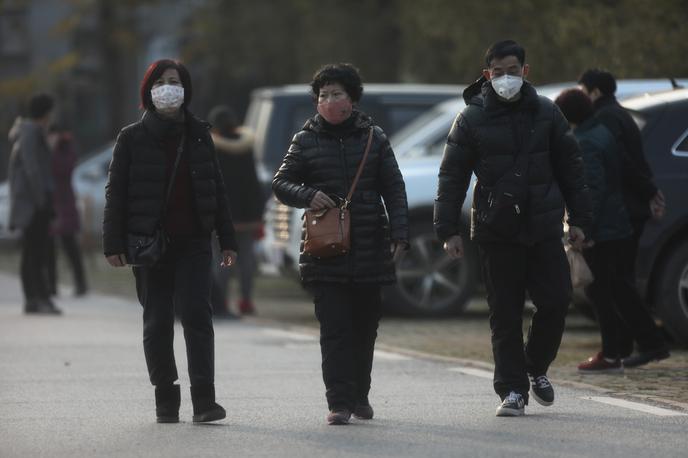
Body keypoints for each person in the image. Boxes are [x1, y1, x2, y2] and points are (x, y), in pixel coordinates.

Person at [434, 40, 591, 417]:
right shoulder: (470, 119)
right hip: (495, 229)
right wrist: (447, 230)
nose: (506, 78)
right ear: (487, 74)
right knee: (504, 314)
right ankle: (513, 390)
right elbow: (451, 176)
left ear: (526, 70)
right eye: (498, 72)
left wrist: (580, 220)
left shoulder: (547, 113)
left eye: (513, 70)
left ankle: (534, 366)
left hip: (543, 228)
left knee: (555, 302)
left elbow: (572, 169)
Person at [102, 59, 238, 424]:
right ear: (148, 91)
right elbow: (116, 193)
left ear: (185, 89)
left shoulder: (199, 133)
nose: (168, 87)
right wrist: (112, 242)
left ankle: (205, 401)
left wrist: (228, 239)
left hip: (193, 242)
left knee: (197, 315)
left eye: (174, 81)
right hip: (149, 244)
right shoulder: (130, 138)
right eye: (160, 82)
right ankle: (166, 398)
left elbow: (217, 190)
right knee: (158, 321)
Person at [272, 63, 409, 425]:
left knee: (365, 329)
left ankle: (360, 395)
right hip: (324, 251)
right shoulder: (305, 140)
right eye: (323, 96)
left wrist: (400, 232)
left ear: (352, 98)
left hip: (370, 247)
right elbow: (281, 182)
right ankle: (339, 402)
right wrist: (308, 194)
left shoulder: (374, 138)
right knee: (335, 330)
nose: (329, 101)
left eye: (336, 94)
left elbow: (394, 188)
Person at [554, 89, 670, 372]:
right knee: (617, 288)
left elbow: (591, 190)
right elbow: (626, 167)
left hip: (601, 229)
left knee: (600, 291)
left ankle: (616, 350)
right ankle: (635, 344)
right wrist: (650, 191)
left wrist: (584, 229)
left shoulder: (584, 142)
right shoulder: (602, 132)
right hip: (616, 223)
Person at [207, 105, 264, 318]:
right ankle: (246, 301)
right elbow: (254, 183)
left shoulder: (212, 148)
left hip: (221, 216)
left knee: (221, 259)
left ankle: (219, 302)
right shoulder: (246, 147)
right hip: (247, 216)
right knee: (246, 260)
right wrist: (257, 215)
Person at [8, 95, 62, 315]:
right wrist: (41, 200)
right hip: (33, 203)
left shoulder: (30, 131)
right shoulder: (30, 132)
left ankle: (39, 297)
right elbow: (32, 168)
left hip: (34, 201)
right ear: (46, 112)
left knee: (36, 250)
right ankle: (35, 298)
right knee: (34, 251)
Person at [45, 124, 88, 297]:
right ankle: (51, 285)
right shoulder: (45, 149)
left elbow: (63, 168)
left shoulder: (65, 148)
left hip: (65, 202)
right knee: (49, 248)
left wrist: (53, 148)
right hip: (50, 203)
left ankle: (81, 283)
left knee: (70, 245)